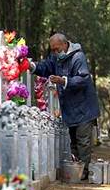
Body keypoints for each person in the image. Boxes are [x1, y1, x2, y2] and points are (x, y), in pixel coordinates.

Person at [30, 33, 99, 180]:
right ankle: (76, 169)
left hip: (84, 108)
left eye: (56, 49)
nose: (55, 52)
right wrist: (32, 66)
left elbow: (83, 79)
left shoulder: (77, 57)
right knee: (73, 141)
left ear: (64, 44)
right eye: (52, 50)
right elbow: (46, 66)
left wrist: (63, 81)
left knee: (83, 141)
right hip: (70, 108)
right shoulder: (57, 58)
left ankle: (84, 171)